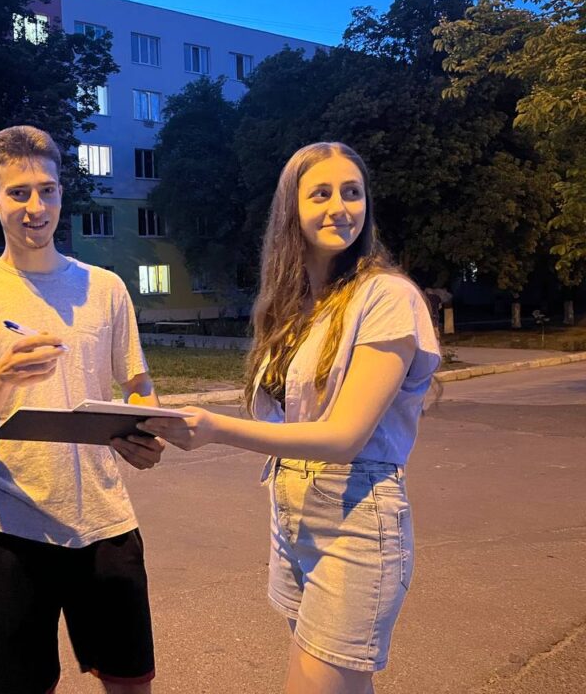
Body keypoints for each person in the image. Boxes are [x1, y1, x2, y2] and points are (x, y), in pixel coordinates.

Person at [142, 142, 440, 693]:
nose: (340, 207)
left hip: (355, 523)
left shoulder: (387, 297)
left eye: (352, 192)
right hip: (292, 517)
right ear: (292, 210)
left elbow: (345, 437)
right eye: (321, 194)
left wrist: (215, 429)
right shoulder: (294, 307)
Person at [0, 125, 165, 694]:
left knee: (131, 681)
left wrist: (147, 426)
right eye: (18, 193)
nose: (35, 207)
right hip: (12, 528)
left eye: (47, 190)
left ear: (62, 193)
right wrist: (1, 375)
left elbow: (137, 381)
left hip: (106, 523)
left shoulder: (105, 287)